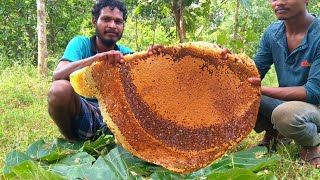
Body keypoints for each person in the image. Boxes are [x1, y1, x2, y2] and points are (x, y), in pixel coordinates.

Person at [47, 0, 162, 141]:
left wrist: (156, 61)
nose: (112, 25)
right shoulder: (80, 44)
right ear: (95, 21)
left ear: (123, 26)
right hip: (86, 115)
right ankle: (72, 141)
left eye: (118, 22)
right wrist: (96, 59)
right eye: (106, 19)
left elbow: (150, 90)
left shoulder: (127, 55)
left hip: (118, 120)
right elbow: (58, 75)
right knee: (59, 89)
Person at [249, 0, 320, 168]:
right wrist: (227, 62)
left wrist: (262, 90)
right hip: (289, 106)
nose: (278, 3)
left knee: (285, 114)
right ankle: (275, 135)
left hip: (315, 107)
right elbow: (252, 72)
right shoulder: (273, 33)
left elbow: (314, 92)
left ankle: (313, 144)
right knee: (242, 96)